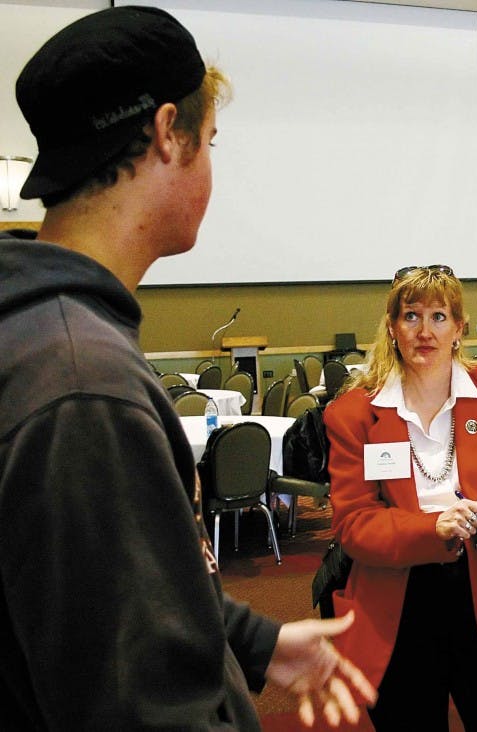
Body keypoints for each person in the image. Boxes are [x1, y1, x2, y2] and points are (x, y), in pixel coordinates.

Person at [0, 8, 375, 729]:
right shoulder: (83, 386)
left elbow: (105, 592)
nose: (209, 163)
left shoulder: (43, 336)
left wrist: (254, 639)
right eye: (208, 141)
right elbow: (136, 703)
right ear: (168, 133)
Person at [323, 265, 477, 730]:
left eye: (438, 316)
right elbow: (355, 524)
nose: (424, 331)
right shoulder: (353, 414)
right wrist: (434, 528)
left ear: (459, 328)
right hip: (398, 599)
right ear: (392, 328)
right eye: (411, 316)